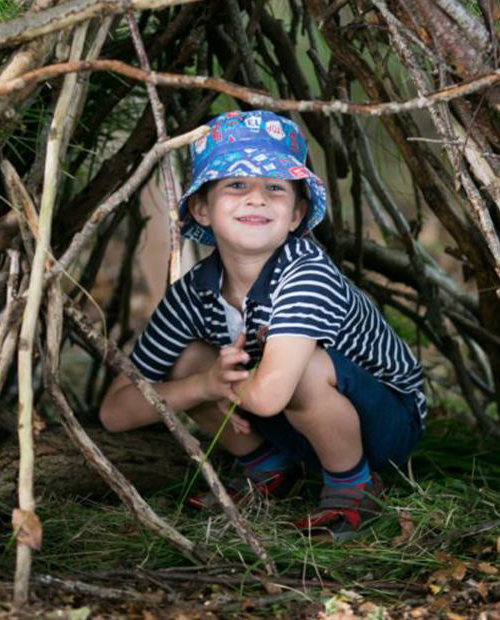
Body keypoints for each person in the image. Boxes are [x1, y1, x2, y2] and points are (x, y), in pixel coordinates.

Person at [100, 110, 426, 541]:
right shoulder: (191, 295)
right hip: (288, 419)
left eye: (274, 188)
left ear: (296, 215)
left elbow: (271, 396)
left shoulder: (306, 274)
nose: (256, 199)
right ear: (201, 208)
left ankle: (353, 488)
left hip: (384, 424)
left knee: (303, 369)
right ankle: (268, 470)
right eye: (236, 185)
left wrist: (224, 387)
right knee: (190, 362)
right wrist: (205, 384)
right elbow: (115, 413)